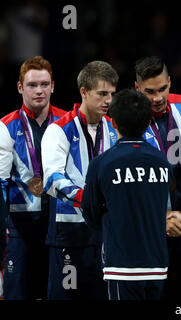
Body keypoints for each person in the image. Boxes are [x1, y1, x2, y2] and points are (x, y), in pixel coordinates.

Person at [81, 88, 172, 300]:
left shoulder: (101, 163)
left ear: (112, 123)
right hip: (157, 262)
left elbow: (90, 212)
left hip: (122, 264)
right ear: (149, 122)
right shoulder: (162, 161)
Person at [41, 61, 119, 300]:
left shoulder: (115, 130)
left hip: (106, 234)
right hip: (70, 234)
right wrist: (85, 198)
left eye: (112, 94)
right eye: (102, 94)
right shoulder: (59, 129)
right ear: (84, 92)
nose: (109, 101)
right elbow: (52, 179)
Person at [134, 56, 181, 300]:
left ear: (170, 82)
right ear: (137, 89)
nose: (157, 98)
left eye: (162, 89)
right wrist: (159, 217)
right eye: (149, 91)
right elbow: (129, 185)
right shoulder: (124, 119)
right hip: (151, 229)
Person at [0, 56, 66, 300]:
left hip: (60, 227)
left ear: (53, 86)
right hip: (21, 228)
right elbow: (0, 184)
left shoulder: (68, 122)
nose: (39, 90)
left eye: (44, 84)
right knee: (18, 294)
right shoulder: (5, 127)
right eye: (32, 85)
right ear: (20, 87)